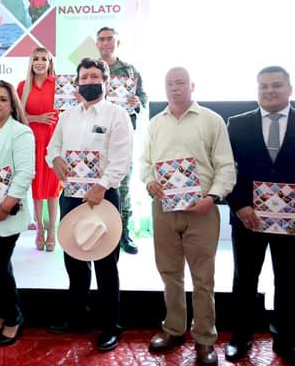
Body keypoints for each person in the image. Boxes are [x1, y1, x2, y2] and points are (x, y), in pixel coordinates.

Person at [224, 66, 295, 366]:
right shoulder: (237, 124)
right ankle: (240, 337)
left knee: (288, 282)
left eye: (276, 85)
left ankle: (286, 342)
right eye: (263, 86)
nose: (269, 91)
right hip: (249, 219)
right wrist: (239, 205)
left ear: (289, 89)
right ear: (256, 90)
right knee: (244, 280)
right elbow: (225, 169)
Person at [141, 67, 236, 366]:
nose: (175, 88)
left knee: (203, 278)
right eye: (170, 83)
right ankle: (173, 329)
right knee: (169, 273)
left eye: (180, 82)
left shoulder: (211, 120)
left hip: (201, 209)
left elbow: (225, 166)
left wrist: (213, 197)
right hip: (164, 209)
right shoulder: (156, 123)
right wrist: (149, 181)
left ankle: (205, 339)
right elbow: (145, 162)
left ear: (192, 85)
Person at [46, 58, 132, 351]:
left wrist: (102, 186)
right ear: (77, 82)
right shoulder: (67, 116)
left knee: (106, 263)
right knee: (74, 257)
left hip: (103, 197)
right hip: (72, 195)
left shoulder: (117, 115)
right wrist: (56, 159)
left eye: (95, 76)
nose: (89, 81)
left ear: (105, 81)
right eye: (84, 77)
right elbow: (52, 148)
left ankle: (110, 325)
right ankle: (78, 316)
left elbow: (121, 159)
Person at [0, 80, 35, 347]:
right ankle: (5, 312)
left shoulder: (21, 132)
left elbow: (25, 173)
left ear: (12, 105)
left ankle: (14, 318)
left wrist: (5, 206)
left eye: (3, 99)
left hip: (7, 210)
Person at [96, 26, 148, 255]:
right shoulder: (92, 68)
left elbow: (143, 96)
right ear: (97, 44)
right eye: (102, 40)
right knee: (96, 182)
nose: (106, 43)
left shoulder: (130, 69)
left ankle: (123, 233)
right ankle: (99, 231)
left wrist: (138, 101)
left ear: (118, 43)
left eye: (110, 39)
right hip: (96, 135)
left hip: (122, 135)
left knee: (123, 184)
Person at [17, 47, 60, 251]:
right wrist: (37, 118)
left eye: (44, 59)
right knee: (37, 186)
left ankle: (52, 230)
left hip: (55, 141)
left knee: (53, 187)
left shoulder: (59, 84)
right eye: (36, 59)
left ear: (50, 63)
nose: (40, 62)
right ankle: (39, 229)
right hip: (33, 142)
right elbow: (18, 116)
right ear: (31, 63)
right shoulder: (23, 86)